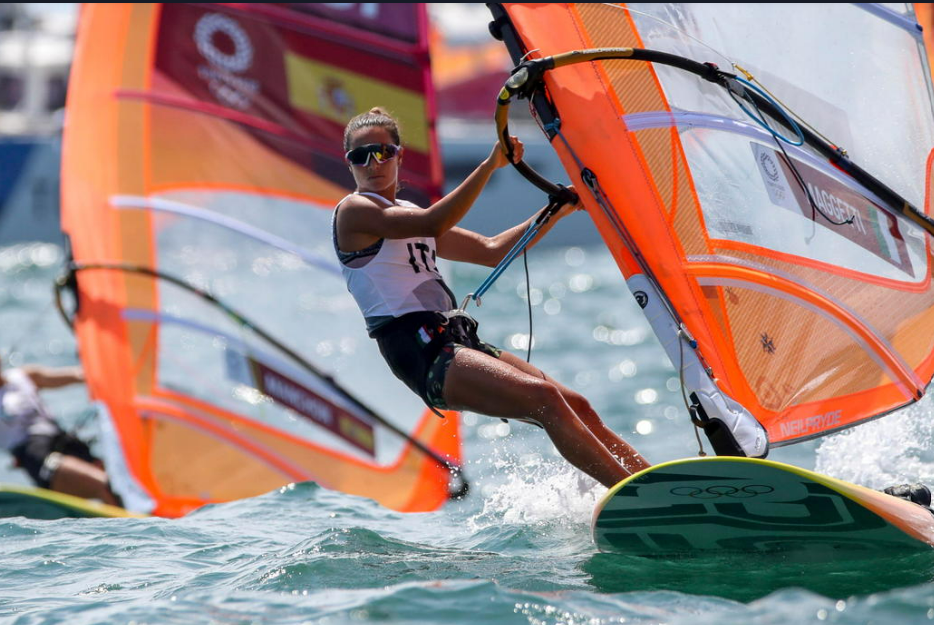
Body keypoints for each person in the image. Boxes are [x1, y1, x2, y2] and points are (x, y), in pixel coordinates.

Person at [333, 107, 650, 488]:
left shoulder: (407, 211)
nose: (373, 162)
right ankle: (630, 494)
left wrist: (554, 213)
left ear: (400, 154)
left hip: (455, 339)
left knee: (577, 406)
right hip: (419, 351)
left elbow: (490, 250)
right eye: (360, 156)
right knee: (545, 399)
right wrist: (490, 165)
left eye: (383, 152)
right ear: (349, 164)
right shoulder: (354, 212)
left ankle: (651, 482)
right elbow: (434, 223)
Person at [0, 360, 120, 506]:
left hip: (63, 443)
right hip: (36, 456)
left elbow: (76, 375)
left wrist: (105, 373)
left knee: (119, 484)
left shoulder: (24, 376)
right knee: (106, 487)